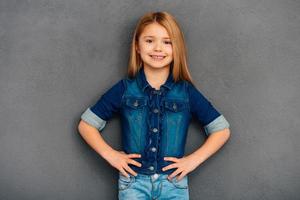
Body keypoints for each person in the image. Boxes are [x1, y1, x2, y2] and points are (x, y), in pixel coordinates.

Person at [78, 11, 231, 200]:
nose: (158, 48)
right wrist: (111, 155)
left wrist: (192, 161)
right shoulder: (125, 89)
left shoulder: (186, 92)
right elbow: (86, 125)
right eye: (149, 41)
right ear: (137, 47)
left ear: (177, 48)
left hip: (174, 183)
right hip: (133, 183)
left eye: (167, 42)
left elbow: (221, 130)